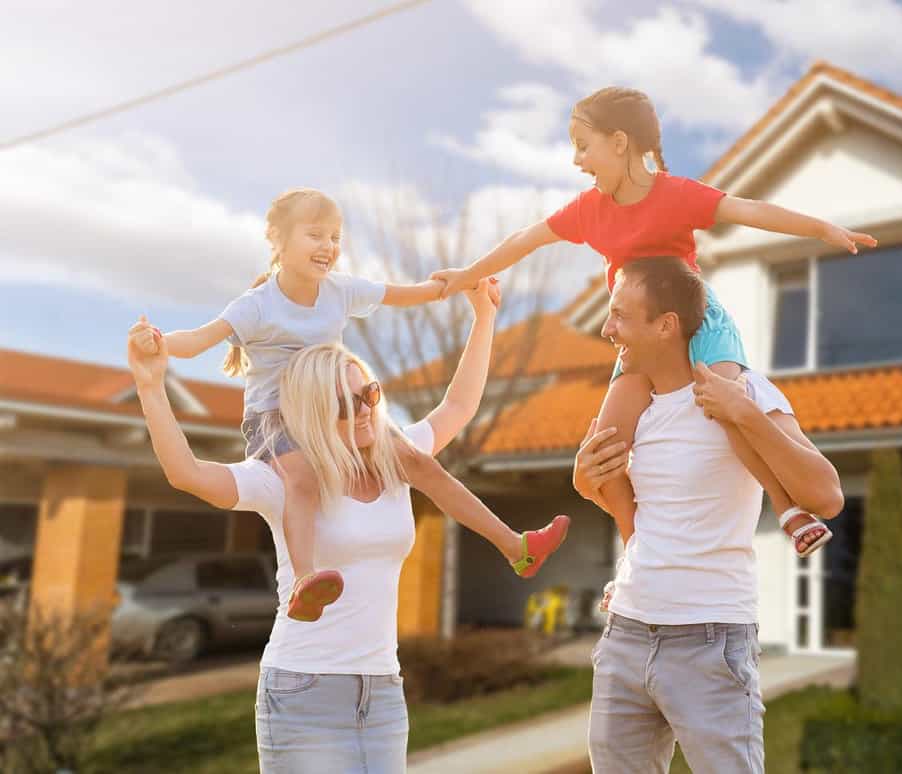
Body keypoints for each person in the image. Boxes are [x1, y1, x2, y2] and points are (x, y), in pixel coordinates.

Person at [129, 278, 567, 772]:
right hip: (304, 687)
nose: (363, 411)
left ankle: (517, 547)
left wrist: (484, 317)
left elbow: (459, 407)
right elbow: (187, 475)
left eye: (369, 395)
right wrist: (151, 386)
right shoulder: (285, 479)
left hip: (381, 689)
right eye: (343, 404)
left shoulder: (397, 464)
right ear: (314, 411)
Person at [432, 86, 872, 558]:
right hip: (640, 340)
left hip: (700, 323)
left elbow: (750, 210)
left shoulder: (676, 195)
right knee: (607, 446)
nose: (577, 160)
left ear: (619, 142)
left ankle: (787, 510)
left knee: (726, 409)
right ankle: (634, 555)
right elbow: (527, 238)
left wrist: (822, 228)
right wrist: (467, 276)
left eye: (584, 145)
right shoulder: (589, 210)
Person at [140, 188, 566, 621]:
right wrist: (158, 343)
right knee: (302, 480)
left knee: (422, 463)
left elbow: (409, 296)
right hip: (277, 419)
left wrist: (460, 283)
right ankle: (305, 581)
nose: (328, 247)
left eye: (335, 237)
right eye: (315, 235)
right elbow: (197, 340)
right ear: (277, 238)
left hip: (327, 410)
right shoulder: (256, 306)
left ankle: (515, 545)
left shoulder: (339, 291)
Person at [572, 257, 844, 773]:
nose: (608, 330)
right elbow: (611, 495)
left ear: (666, 325)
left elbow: (826, 495)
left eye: (621, 316)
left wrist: (742, 411)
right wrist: (584, 478)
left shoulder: (748, 391)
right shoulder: (641, 409)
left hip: (711, 639)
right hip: (627, 633)